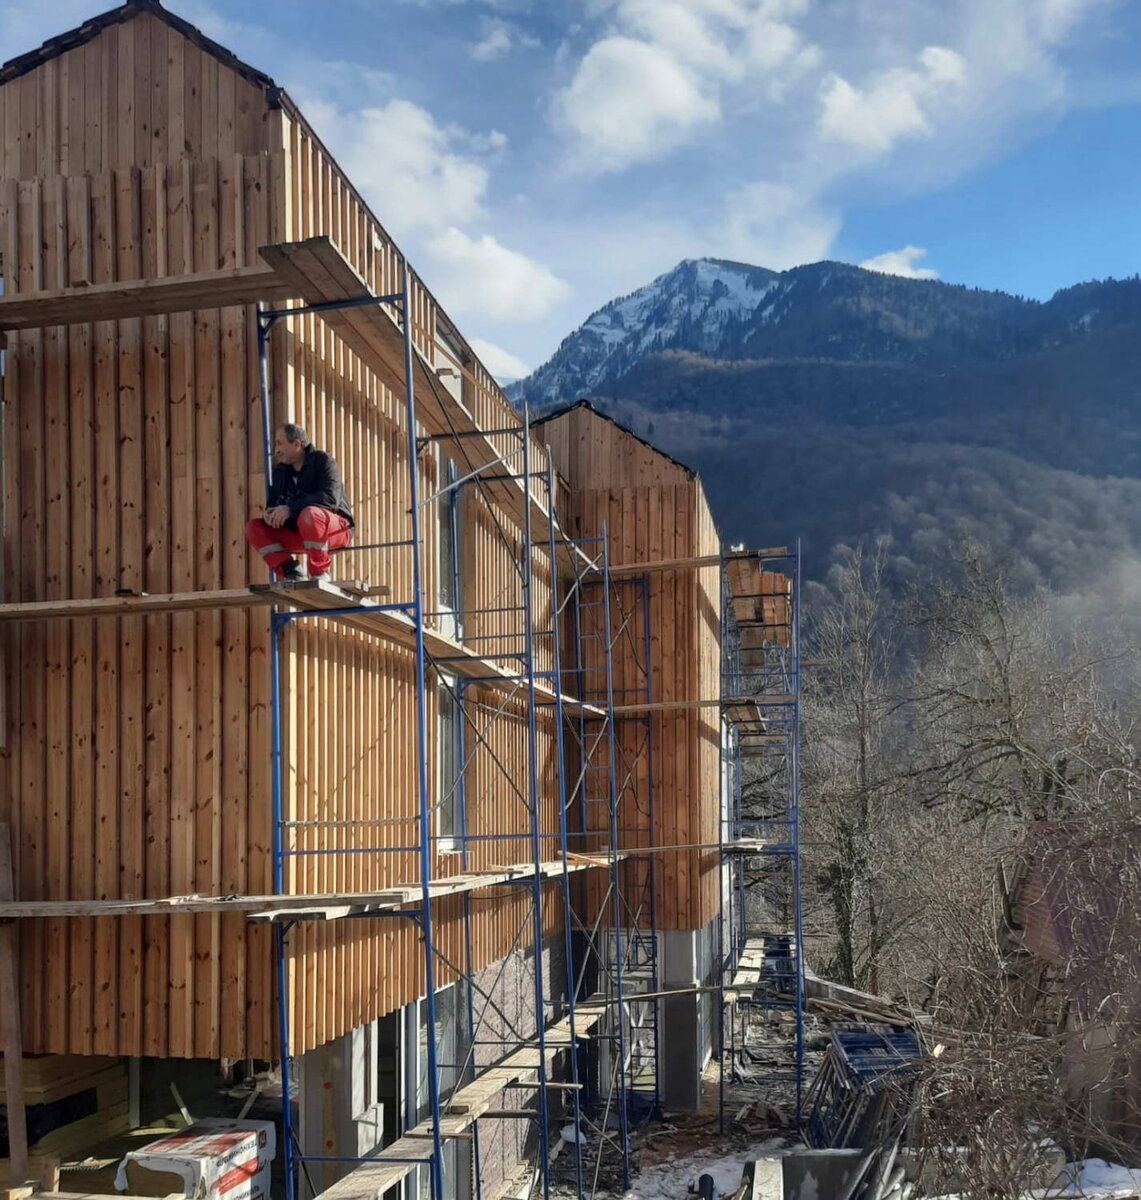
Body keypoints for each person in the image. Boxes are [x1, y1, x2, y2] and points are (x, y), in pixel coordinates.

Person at [245, 424, 354, 582]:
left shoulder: (323, 461)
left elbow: (330, 498)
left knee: (309, 514)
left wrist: (291, 509)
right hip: (301, 533)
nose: (276, 450)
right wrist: (270, 514)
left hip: (337, 531)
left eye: (280, 443)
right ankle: (291, 572)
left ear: (297, 444)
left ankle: (320, 574)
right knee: (253, 528)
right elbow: (274, 503)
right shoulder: (280, 472)